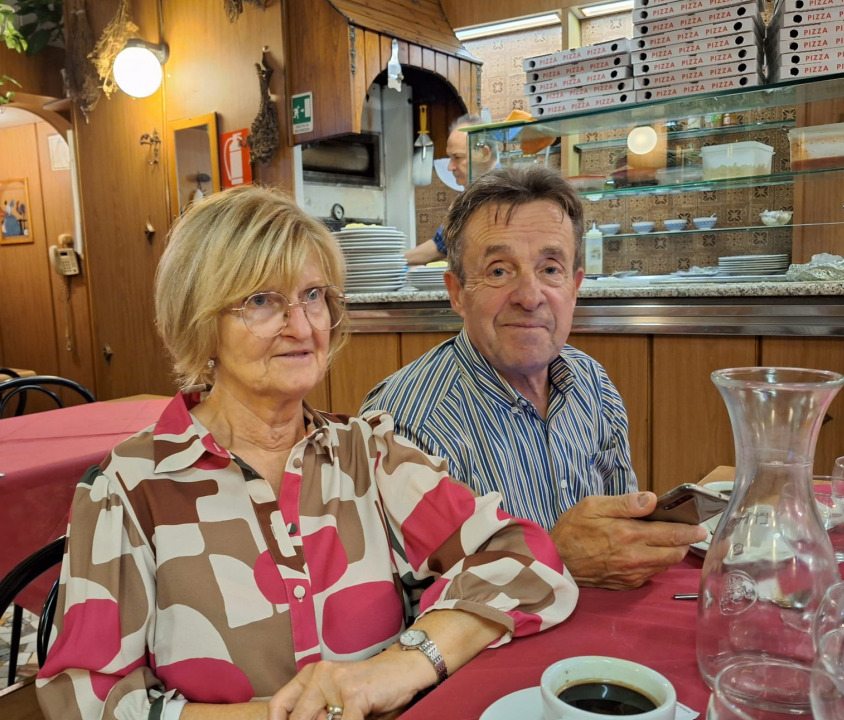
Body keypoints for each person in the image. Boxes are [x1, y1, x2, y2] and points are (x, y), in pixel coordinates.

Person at [36, 185, 577, 720]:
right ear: (200, 319)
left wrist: (399, 668)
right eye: (261, 300)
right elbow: (85, 699)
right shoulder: (131, 488)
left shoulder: (368, 455)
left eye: (313, 296)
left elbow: (525, 557)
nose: (301, 326)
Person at [363, 166, 708, 590]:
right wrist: (553, 559)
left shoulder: (592, 383)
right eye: (498, 271)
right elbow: (408, 604)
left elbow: (619, 531)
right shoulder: (403, 424)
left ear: (575, 287)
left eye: (550, 269)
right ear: (456, 292)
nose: (529, 297)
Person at [403, 113, 497, 266]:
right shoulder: (466, 200)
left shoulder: (507, 194)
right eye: (450, 158)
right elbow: (440, 245)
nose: (450, 167)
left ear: (484, 154)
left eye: (457, 157)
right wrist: (390, 260)